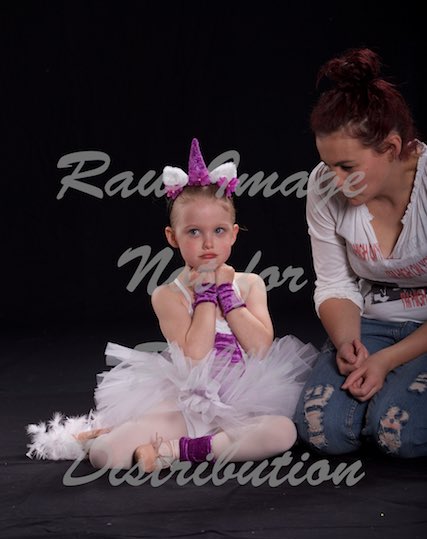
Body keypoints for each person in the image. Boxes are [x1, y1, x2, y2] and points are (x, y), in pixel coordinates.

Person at [27, 138, 318, 472]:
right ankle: (115, 435)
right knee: (105, 456)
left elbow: (260, 347)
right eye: (194, 232)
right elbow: (195, 356)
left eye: (219, 230)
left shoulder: (250, 284)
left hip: (245, 401)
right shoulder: (168, 294)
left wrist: (226, 292)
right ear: (172, 237)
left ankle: (174, 451)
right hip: (186, 403)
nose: (208, 243)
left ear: (234, 234)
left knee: (283, 432)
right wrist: (206, 294)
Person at [294, 48, 427, 458]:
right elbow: (334, 282)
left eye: (347, 167)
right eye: (327, 165)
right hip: (372, 321)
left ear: (391, 147)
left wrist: (388, 361)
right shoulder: (323, 186)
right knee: (321, 430)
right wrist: (347, 342)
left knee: (397, 433)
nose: (334, 180)